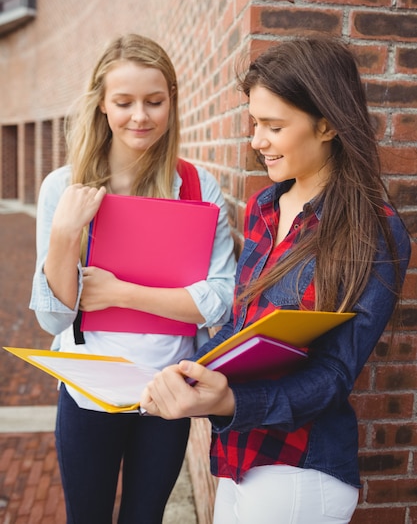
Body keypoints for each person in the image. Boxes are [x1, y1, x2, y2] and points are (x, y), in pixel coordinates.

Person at [141, 35, 411, 524]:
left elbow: (333, 376)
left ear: (327, 124)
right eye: (253, 124)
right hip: (239, 454)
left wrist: (230, 399)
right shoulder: (265, 208)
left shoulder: (374, 229)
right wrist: (183, 372)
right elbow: (238, 326)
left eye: (273, 126)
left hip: (300, 469)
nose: (256, 141)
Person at [29, 33, 236, 524]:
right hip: (88, 389)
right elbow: (51, 317)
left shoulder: (195, 186)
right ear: (102, 105)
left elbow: (220, 299)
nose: (140, 117)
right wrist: (63, 234)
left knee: (146, 518)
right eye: (124, 102)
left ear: (172, 102)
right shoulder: (63, 187)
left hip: (167, 390)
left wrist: (119, 293)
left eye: (154, 101)